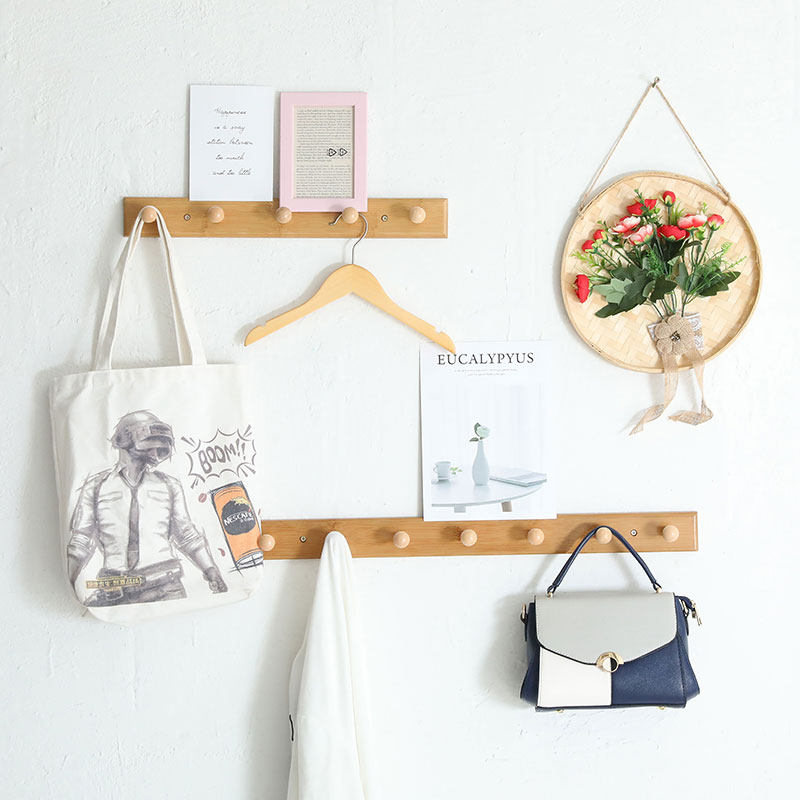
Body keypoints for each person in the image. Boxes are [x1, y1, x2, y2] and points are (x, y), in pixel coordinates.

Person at [67, 410, 228, 606]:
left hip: (165, 587)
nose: (155, 453)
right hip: (114, 590)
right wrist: (68, 582)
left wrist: (210, 570)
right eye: (150, 443)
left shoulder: (169, 485)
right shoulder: (96, 486)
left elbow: (186, 534)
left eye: (160, 446)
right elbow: (82, 540)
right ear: (123, 439)